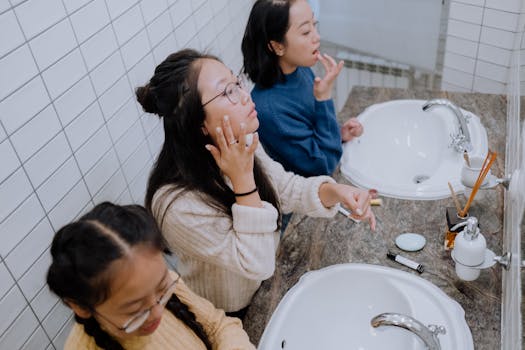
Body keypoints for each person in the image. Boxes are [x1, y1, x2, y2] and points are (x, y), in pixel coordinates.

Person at [136, 49, 376, 319]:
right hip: (228, 314)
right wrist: (242, 179)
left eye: (237, 83)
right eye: (228, 92)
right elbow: (258, 263)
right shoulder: (177, 205)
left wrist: (335, 191)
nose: (245, 95)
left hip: (264, 285)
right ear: (199, 123)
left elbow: (284, 188)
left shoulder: (242, 141)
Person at [46, 202, 255, 350]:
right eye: (137, 310)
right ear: (81, 307)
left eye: (163, 289)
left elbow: (218, 325)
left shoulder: (155, 288)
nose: (157, 313)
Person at [241, 0, 363, 177]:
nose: (317, 37)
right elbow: (324, 165)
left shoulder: (300, 70)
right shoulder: (269, 110)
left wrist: (338, 134)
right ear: (277, 46)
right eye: (306, 32)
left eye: (314, 25)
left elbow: (312, 127)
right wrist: (323, 98)